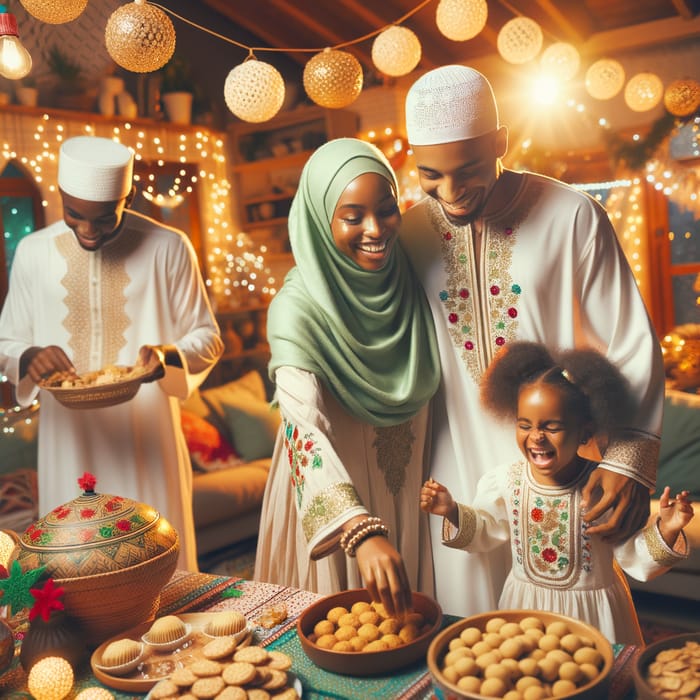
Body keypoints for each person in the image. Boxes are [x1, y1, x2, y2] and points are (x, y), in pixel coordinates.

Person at [401, 64, 665, 616]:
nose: (450, 193)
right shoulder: (409, 235)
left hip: (562, 464)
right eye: (431, 175)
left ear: (501, 141)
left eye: (468, 169)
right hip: (455, 467)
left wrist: (627, 460)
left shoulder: (573, 216)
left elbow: (630, 340)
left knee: (572, 635)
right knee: (473, 637)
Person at [0, 135, 223, 571]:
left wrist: (166, 356)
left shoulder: (168, 246)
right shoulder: (33, 252)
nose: (87, 229)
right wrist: (28, 357)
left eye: (103, 218)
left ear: (130, 196)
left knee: (161, 565)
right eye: (74, 214)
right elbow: (6, 340)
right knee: (74, 570)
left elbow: (208, 338)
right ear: (61, 195)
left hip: (147, 439)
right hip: (68, 441)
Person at [253, 137, 441, 617]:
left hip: (406, 493)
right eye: (352, 217)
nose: (375, 230)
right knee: (339, 640)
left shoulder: (410, 278)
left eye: (386, 210)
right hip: (332, 500)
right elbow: (302, 425)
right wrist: (357, 527)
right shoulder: (296, 308)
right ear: (320, 219)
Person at [420, 341, 693, 645]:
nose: (536, 436)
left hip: (593, 618)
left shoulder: (600, 488)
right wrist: (452, 510)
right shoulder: (506, 482)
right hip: (524, 608)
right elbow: (487, 529)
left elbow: (632, 553)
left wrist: (668, 527)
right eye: (525, 425)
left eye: (552, 426)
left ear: (585, 431)